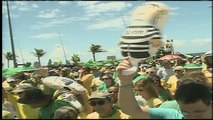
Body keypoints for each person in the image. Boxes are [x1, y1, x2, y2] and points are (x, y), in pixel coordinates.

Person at [116, 57, 212, 119]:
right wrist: (125, 81)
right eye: (185, 113)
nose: (192, 117)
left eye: (199, 112)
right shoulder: (172, 115)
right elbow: (130, 109)